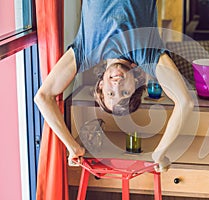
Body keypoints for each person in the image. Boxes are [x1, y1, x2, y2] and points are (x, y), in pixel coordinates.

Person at [34, 0, 194, 172]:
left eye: (110, 93)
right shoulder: (148, 55)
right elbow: (185, 102)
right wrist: (158, 154)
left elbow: (43, 97)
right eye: (125, 92)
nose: (117, 85)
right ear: (136, 84)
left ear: (101, 84)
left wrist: (73, 147)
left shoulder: (86, 52)